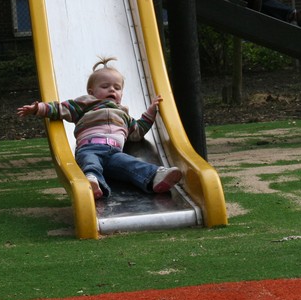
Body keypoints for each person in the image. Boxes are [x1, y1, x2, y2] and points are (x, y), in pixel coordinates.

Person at [16, 57, 182, 199]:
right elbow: (60, 109)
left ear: (121, 94)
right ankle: (93, 182)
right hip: (90, 147)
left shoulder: (123, 114)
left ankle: (155, 177)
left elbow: (137, 132)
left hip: (114, 153)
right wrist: (38, 109)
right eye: (105, 86)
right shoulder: (86, 103)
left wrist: (151, 112)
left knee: (131, 164)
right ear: (92, 92)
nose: (112, 89)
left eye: (117, 88)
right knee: (90, 162)